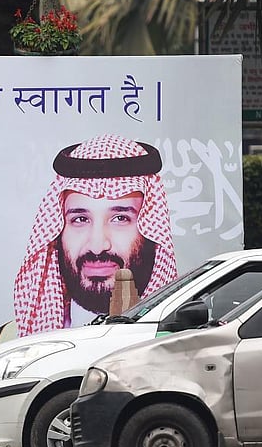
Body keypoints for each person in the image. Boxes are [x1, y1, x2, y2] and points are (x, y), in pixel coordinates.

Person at [13, 134, 178, 337]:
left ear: (151, 229)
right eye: (80, 219)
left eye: (120, 218)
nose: (98, 246)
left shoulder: (182, 344)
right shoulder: (9, 345)